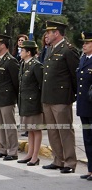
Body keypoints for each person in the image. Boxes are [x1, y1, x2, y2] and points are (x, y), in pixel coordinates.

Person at [41, 20, 80, 173]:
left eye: (49, 33)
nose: (46, 36)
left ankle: (70, 162)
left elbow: (75, 75)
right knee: (52, 131)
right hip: (48, 97)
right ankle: (58, 160)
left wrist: (73, 95)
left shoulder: (68, 50)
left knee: (64, 131)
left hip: (62, 98)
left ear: (56, 33)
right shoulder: (50, 50)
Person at [0, 33, 20, 161]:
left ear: (3, 45)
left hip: (7, 98)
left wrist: (15, 98)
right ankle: (2, 149)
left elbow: (16, 82)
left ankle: (13, 150)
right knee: (0, 125)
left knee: (9, 125)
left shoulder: (11, 61)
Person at [16, 41, 44, 166]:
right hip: (25, 102)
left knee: (36, 129)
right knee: (30, 129)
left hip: (34, 103)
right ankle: (30, 154)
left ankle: (35, 156)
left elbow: (41, 85)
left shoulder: (36, 65)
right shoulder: (23, 64)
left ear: (28, 52)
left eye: (22, 50)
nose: (20, 52)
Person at [76, 32, 92, 180]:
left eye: (87, 43)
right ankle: (90, 169)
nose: (84, 45)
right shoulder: (83, 60)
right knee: (87, 138)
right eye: (84, 43)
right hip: (84, 106)